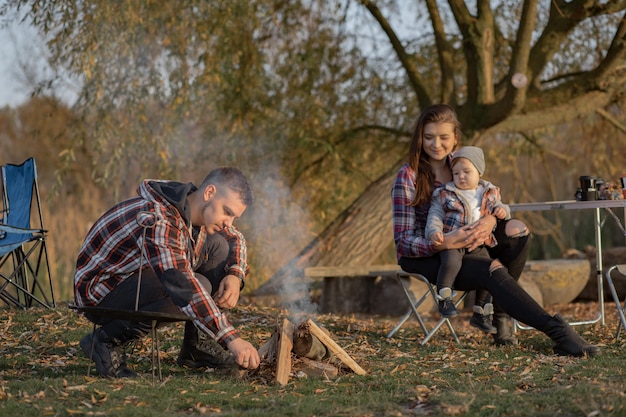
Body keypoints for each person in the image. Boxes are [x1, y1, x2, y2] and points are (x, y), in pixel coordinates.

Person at [392, 103, 599, 357]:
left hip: (471, 242)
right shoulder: (408, 176)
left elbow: (488, 201)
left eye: (444, 137)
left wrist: (491, 220)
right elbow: (402, 243)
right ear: (419, 138)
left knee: (518, 232)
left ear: (455, 138)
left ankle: (500, 318)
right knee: (491, 268)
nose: (436, 143)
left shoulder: (464, 165)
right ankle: (558, 332)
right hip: (430, 255)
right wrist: (444, 242)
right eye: (428, 137)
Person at [74, 167, 261, 377]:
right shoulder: (159, 219)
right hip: (101, 294)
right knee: (193, 285)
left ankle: (196, 348)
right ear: (209, 193)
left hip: (137, 279)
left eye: (234, 217)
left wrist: (235, 274)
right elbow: (183, 286)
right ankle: (106, 341)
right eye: (227, 212)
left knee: (220, 246)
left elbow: (236, 238)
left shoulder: (192, 210)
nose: (229, 222)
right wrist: (231, 339)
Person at [426, 145, 508, 334]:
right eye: (456, 173)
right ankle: (445, 298)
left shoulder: (489, 192)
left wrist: (502, 211)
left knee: (491, 268)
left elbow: (502, 208)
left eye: (466, 172)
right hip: (453, 241)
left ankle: (481, 312)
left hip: (477, 243)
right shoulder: (445, 193)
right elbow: (435, 215)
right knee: (450, 261)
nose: (461, 176)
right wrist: (434, 232)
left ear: (479, 172)